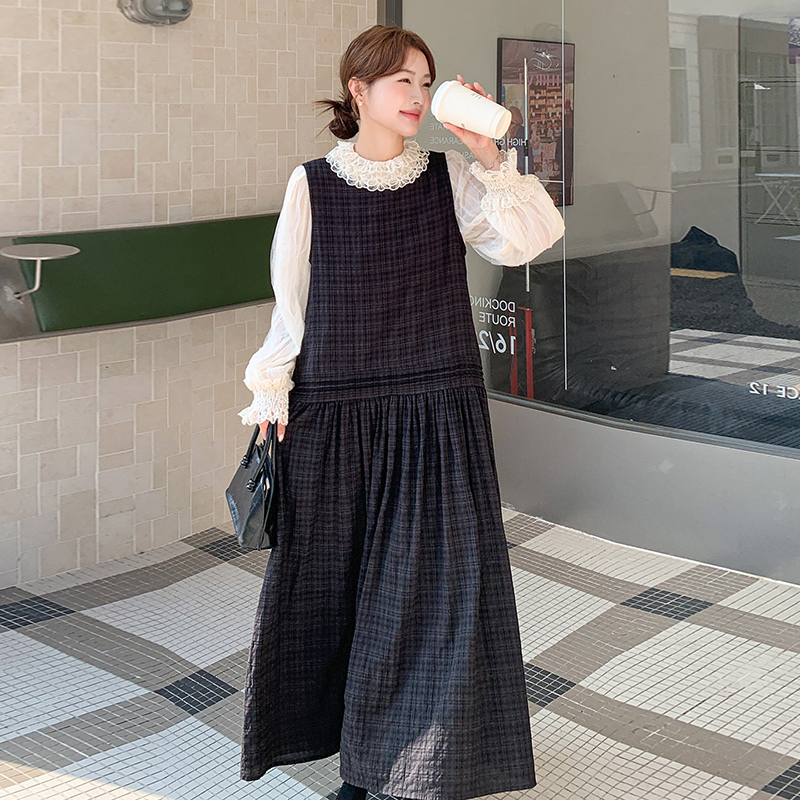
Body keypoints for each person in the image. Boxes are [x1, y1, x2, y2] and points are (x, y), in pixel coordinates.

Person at [237, 24, 565, 800]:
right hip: (335, 409)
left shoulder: (450, 177)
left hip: (435, 408)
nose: (418, 96)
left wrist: (489, 156)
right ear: (359, 90)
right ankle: (357, 758)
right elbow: (291, 304)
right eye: (402, 82)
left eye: (425, 81)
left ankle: (403, 767)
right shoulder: (311, 184)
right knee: (333, 586)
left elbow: (529, 240)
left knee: (431, 592)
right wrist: (271, 391)